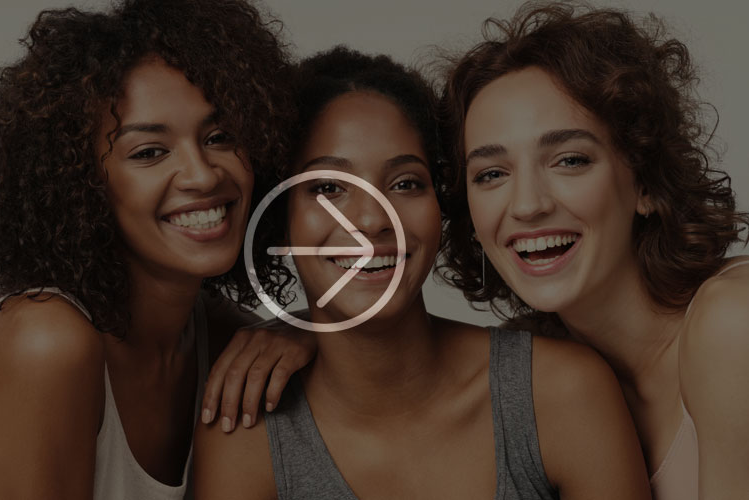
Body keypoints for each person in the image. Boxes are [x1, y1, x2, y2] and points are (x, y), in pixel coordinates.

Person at [194, 46, 651, 499]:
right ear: (279, 214)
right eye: (328, 187)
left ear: (443, 206)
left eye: (405, 183)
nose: (373, 219)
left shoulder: (558, 394)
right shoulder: (245, 429)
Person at [0, 0, 313, 498]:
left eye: (220, 136)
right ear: (78, 182)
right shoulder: (46, 343)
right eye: (149, 152)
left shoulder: (224, 339)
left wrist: (312, 336)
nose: (204, 174)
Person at [438, 3, 749, 499]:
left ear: (644, 182)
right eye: (491, 174)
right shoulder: (540, 375)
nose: (527, 205)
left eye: (570, 160)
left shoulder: (733, 320)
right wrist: (305, 336)